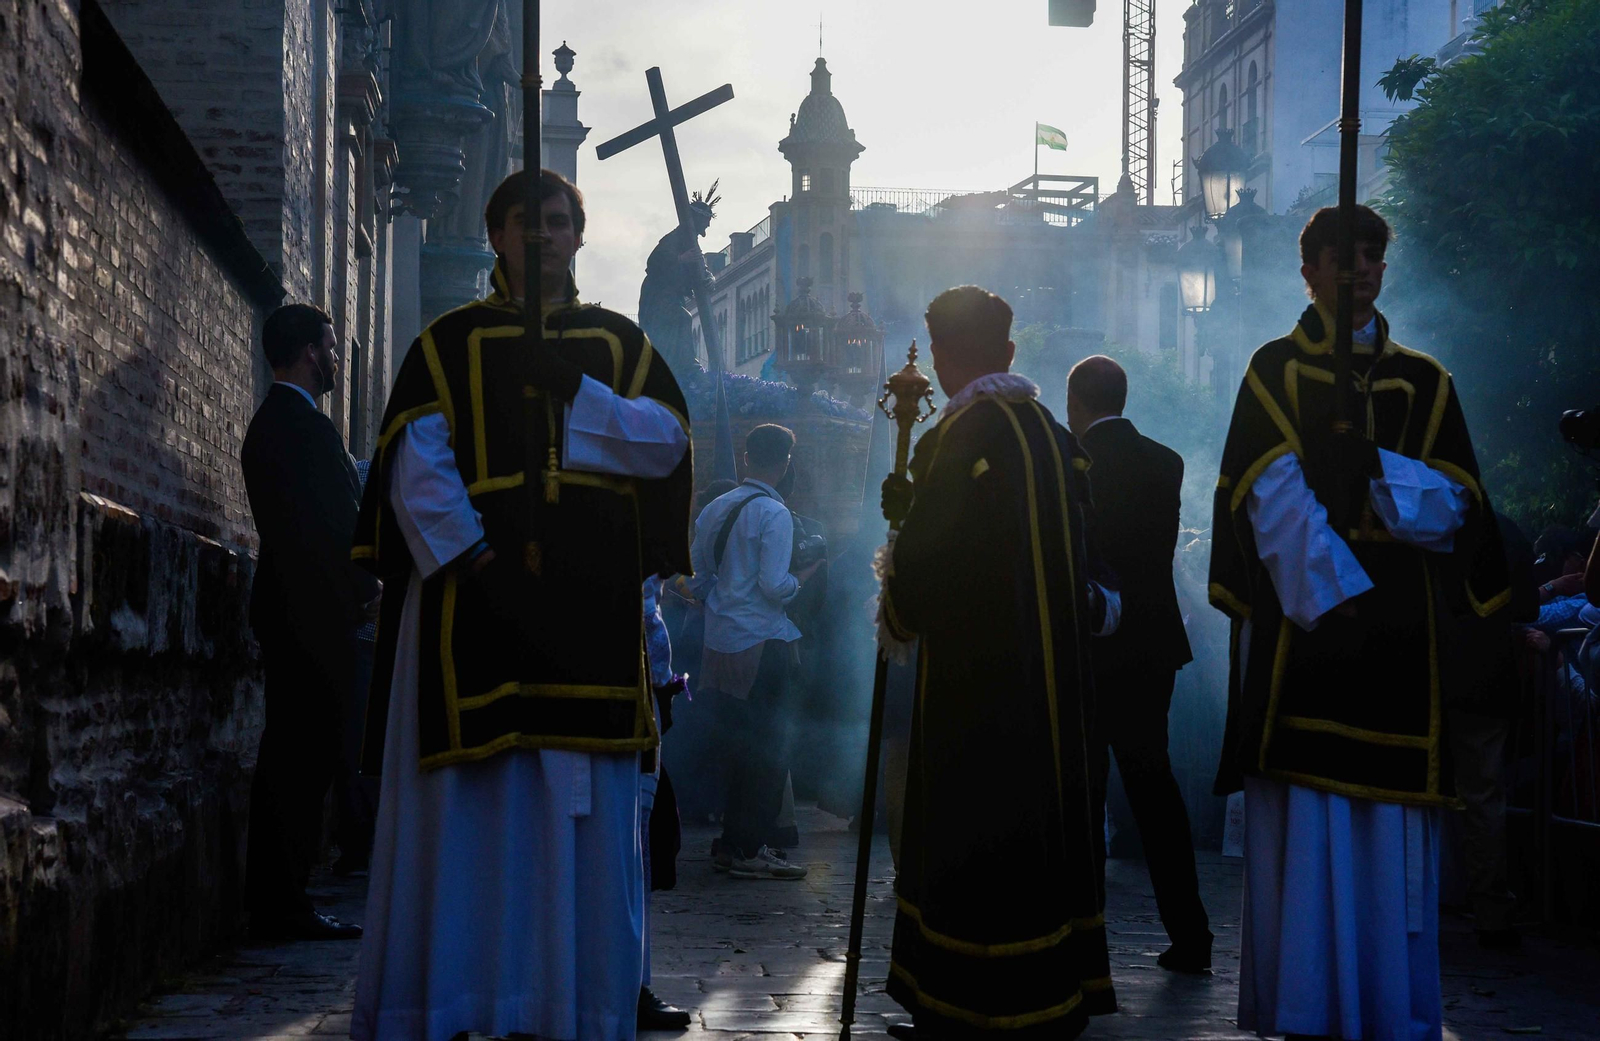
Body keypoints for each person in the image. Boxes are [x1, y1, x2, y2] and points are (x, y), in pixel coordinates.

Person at [349, 169, 693, 1041]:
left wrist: (574, 389)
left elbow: (664, 446)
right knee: (473, 816)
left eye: (556, 221)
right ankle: (465, 1001)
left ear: (579, 235)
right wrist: (475, 556)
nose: (540, 237)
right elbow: (415, 461)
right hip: (476, 603)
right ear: (496, 234)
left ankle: (568, 1001)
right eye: (522, 222)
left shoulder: (617, 345)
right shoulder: (446, 342)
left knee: (577, 825)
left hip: (590, 612)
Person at [1208, 205, 1509, 1041]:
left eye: (1373, 257)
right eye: (1342, 259)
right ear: (1308, 272)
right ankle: (1304, 1004)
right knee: (1310, 829)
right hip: (1309, 642)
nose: (1361, 271)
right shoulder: (1274, 371)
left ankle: (1388, 1009)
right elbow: (1259, 492)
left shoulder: (1427, 381)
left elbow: (1460, 505)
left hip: (1402, 650)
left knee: (1388, 838)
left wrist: (1373, 470)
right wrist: (1337, 591)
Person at [878, 286, 1117, 1040]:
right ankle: (1053, 991)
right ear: (1010, 353)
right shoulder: (1049, 430)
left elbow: (925, 565)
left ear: (943, 357)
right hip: (1053, 677)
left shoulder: (960, 433)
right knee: (1043, 832)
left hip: (975, 687)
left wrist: (901, 574)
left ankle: (964, 1001)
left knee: (971, 839)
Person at [1066, 354, 1212, 972]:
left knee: (1086, 787)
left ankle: (1084, 937)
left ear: (1076, 406)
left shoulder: (1073, 466)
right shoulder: (1167, 461)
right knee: (1155, 786)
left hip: (1094, 642)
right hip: (1152, 644)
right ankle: (1191, 933)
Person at [240, 303, 378, 941]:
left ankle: (280, 896)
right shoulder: (301, 428)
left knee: (297, 754)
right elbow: (329, 529)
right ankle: (281, 901)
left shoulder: (277, 424)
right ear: (307, 352)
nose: (335, 359)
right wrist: (365, 586)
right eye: (329, 346)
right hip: (311, 614)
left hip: (297, 609)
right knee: (303, 758)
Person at [690, 425, 821, 880]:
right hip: (763, 644)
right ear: (785, 463)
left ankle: (731, 844)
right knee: (767, 751)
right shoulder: (774, 512)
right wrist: (804, 575)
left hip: (719, 643)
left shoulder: (715, 507)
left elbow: (698, 578)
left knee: (733, 746)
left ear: (746, 458)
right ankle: (749, 847)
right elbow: (774, 585)